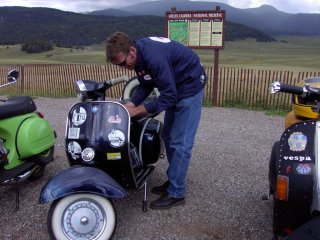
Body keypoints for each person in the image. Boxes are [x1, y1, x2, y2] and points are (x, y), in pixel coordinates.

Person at [106, 32, 207, 210]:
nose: (123, 67)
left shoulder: (154, 57)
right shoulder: (137, 57)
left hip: (190, 85)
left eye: (123, 63)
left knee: (181, 143)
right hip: (176, 86)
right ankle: (173, 181)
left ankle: (177, 193)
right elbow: (146, 83)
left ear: (132, 50)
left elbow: (168, 97)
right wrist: (131, 104)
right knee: (168, 137)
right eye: (119, 65)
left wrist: (137, 111)